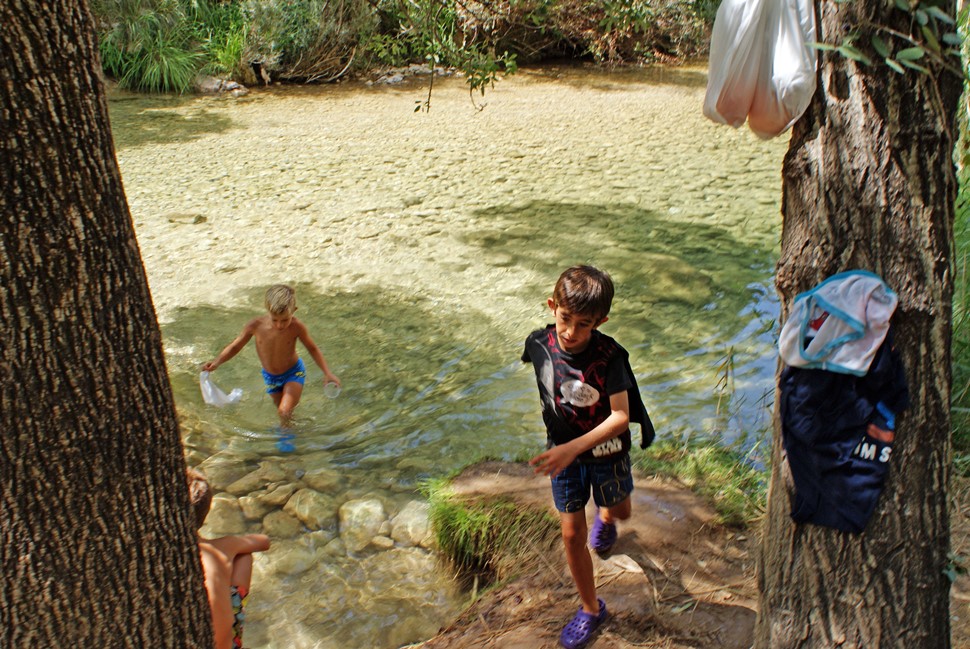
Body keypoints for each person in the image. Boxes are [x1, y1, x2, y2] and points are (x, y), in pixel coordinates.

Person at [522, 265, 654, 649]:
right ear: (552, 307)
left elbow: (621, 417)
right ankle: (591, 609)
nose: (571, 332)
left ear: (601, 321)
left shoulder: (611, 357)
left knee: (622, 510)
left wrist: (573, 447)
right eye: (565, 319)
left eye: (584, 324)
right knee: (572, 534)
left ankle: (609, 515)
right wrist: (563, 446)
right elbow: (546, 378)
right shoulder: (538, 344)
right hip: (564, 455)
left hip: (607, 451)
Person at [203, 284, 340, 425]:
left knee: (284, 411)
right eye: (275, 320)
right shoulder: (255, 326)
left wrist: (327, 373)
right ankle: (294, 430)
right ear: (268, 311)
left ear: (294, 310)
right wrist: (217, 362)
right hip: (271, 377)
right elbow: (235, 346)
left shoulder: (297, 327)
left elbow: (312, 348)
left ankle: (287, 441)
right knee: (285, 414)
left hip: (294, 373)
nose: (280, 325)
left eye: (285, 320)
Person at [187, 467, 271, 649]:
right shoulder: (220, 547)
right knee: (244, 556)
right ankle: (235, 627)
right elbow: (264, 541)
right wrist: (230, 543)